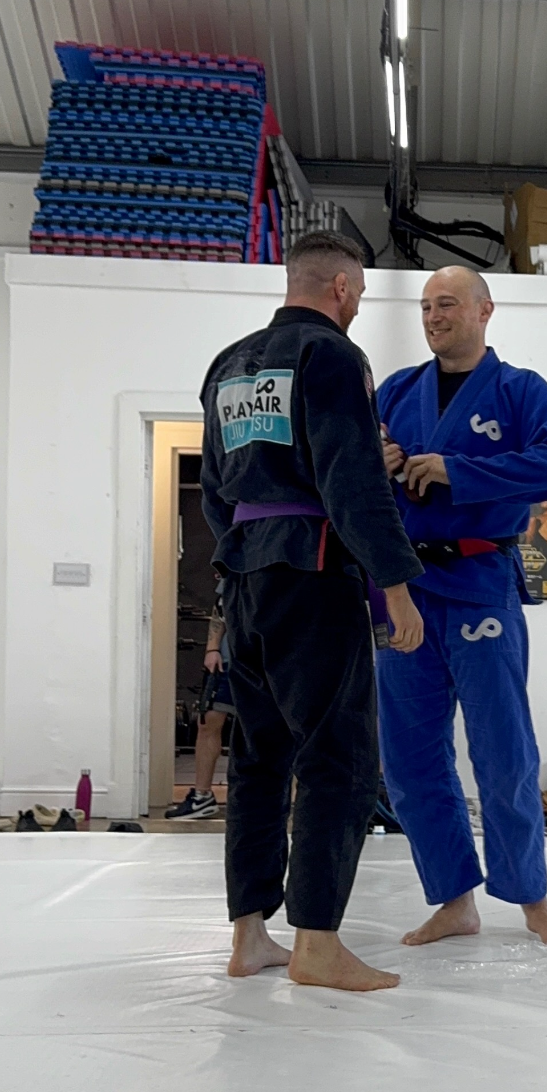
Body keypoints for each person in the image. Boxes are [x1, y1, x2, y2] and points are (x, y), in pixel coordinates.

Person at [200, 231, 425, 992]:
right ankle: (318, 944)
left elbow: (214, 491)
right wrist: (394, 584)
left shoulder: (229, 365)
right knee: (339, 756)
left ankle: (249, 937)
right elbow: (350, 478)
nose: (356, 305)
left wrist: (243, 557)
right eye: (358, 293)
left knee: (259, 758)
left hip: (246, 575)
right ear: (342, 288)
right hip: (313, 569)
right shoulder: (330, 356)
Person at [376, 265, 547, 947]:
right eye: (425, 306)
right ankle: (453, 899)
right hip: (403, 590)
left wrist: (457, 470)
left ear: (484, 310)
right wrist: (379, 455)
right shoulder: (396, 390)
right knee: (409, 757)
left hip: (479, 581)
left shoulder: (521, 391)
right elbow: (349, 469)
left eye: (447, 304)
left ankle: (530, 896)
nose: (434, 317)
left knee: (503, 750)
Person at [166, 590, 232, 819]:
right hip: (228, 662)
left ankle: (270, 800)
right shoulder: (234, 571)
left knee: (268, 730)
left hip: (271, 661)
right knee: (208, 723)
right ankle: (202, 797)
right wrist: (212, 649)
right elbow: (220, 608)